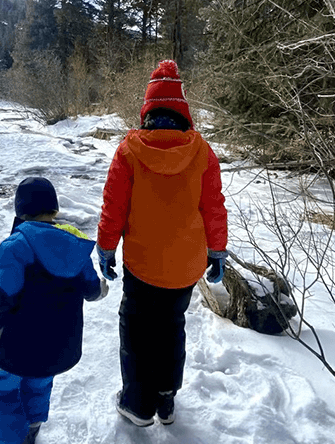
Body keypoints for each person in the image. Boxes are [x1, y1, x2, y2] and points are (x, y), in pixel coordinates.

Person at [95, 59, 229, 427]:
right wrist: (217, 251)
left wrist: (106, 247)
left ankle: (138, 405)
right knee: (171, 325)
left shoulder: (129, 150)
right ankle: (166, 399)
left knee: (136, 328)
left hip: (141, 264)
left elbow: (114, 207)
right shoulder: (202, 151)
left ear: (148, 109)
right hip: (186, 267)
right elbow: (213, 207)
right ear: (182, 109)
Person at [0, 177, 108, 444]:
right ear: (54, 210)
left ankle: (14, 439)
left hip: (14, 349)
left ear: (20, 210)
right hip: (59, 347)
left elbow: (2, 297)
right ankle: (32, 428)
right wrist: (101, 288)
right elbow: (92, 290)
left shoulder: (17, 246)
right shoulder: (74, 243)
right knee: (38, 384)